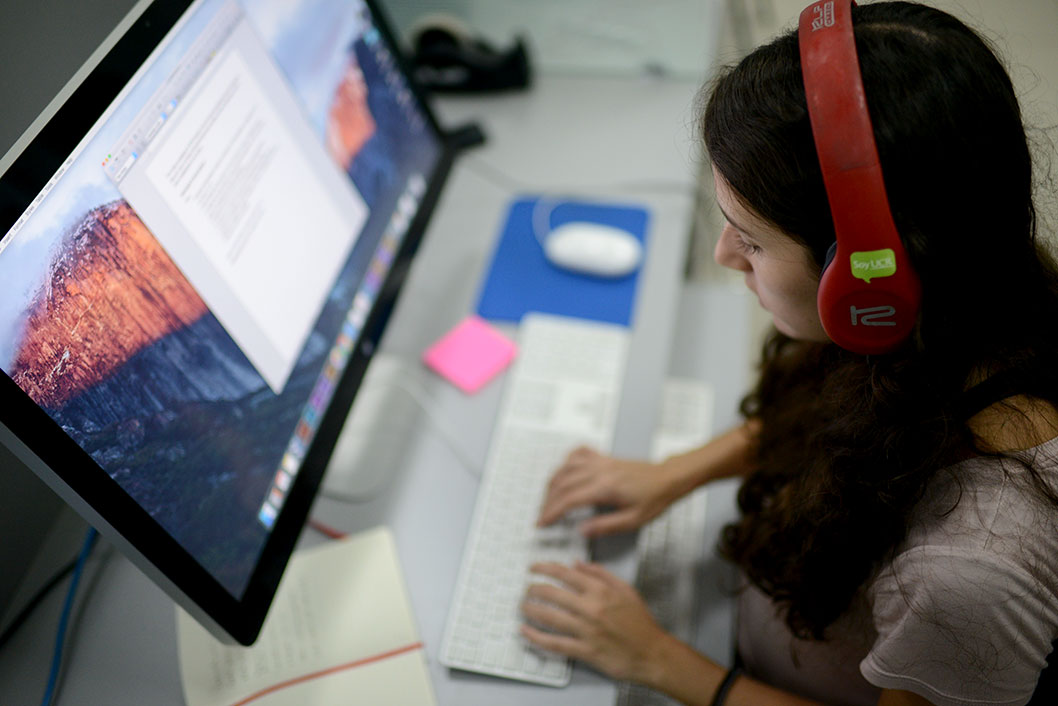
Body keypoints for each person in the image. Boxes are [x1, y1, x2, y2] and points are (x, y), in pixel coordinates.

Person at [519, 2, 1058, 705]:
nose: (722, 256)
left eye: (750, 240)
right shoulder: (956, 301)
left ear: (876, 280)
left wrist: (657, 660)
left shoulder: (969, 570)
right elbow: (852, 422)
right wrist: (673, 475)